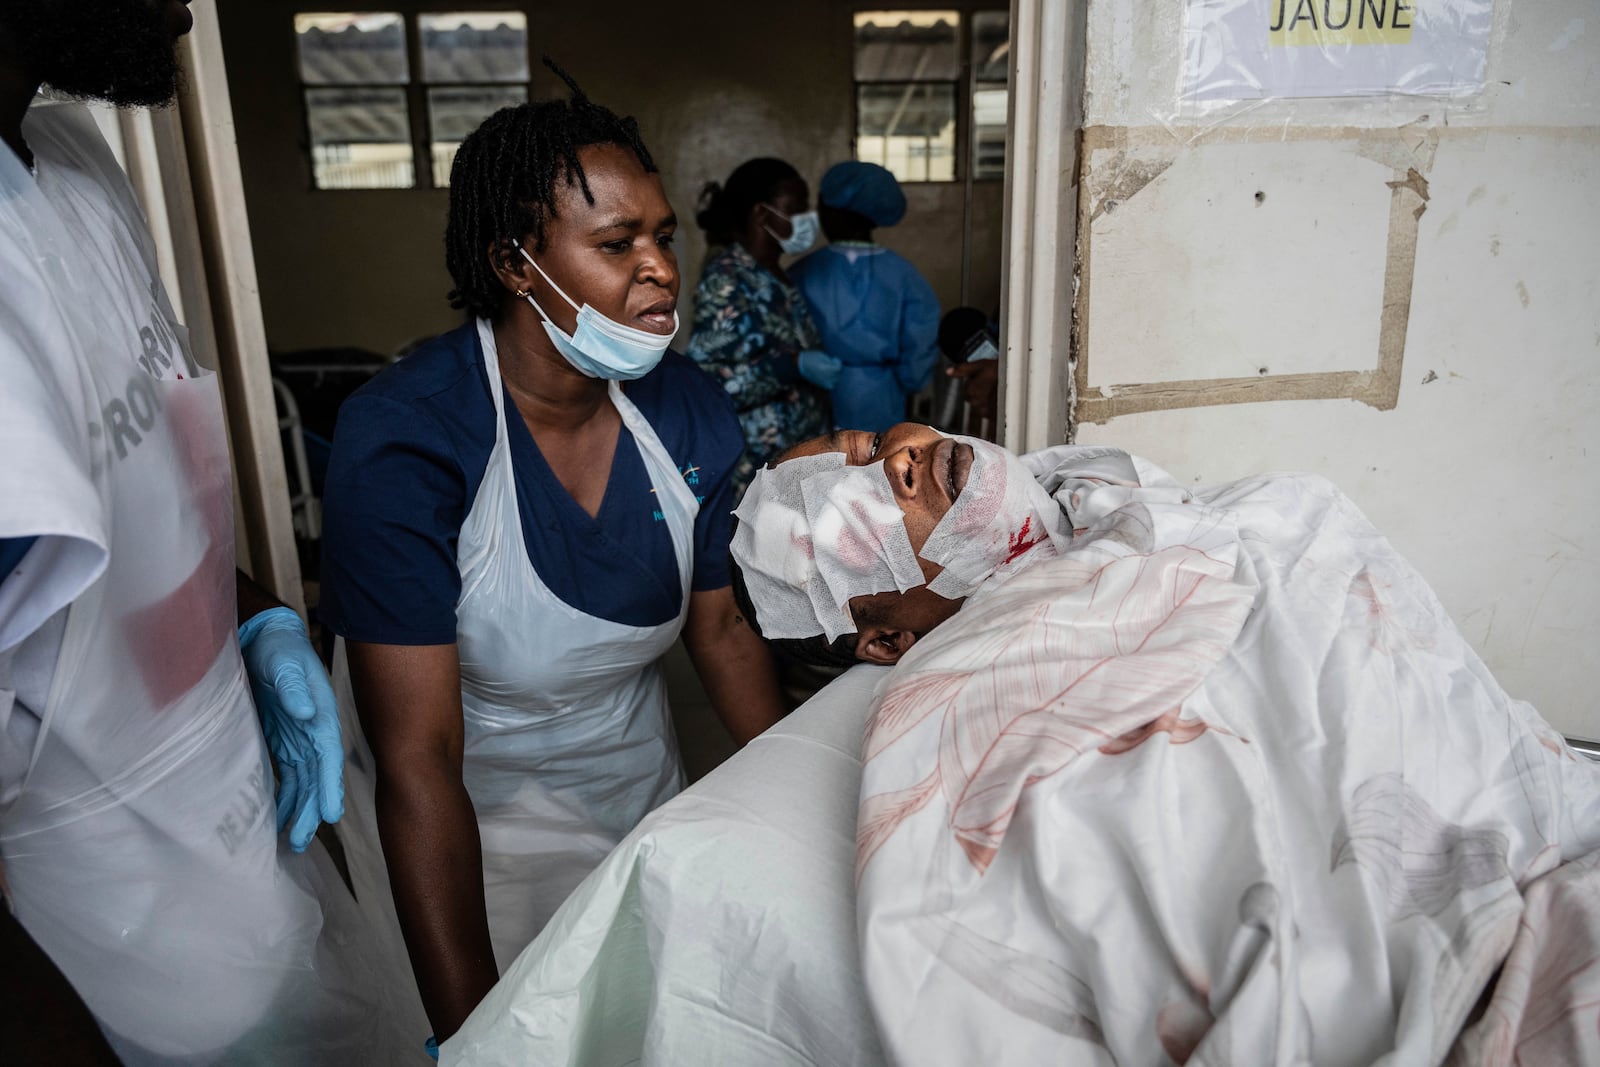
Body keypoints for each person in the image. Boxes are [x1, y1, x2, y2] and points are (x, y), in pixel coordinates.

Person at [318, 63, 787, 1050]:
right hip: (457, 824)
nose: (661, 267)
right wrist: (471, 1025)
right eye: (617, 243)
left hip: (629, 783)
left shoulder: (687, 409)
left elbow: (722, 626)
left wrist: (800, 805)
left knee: (634, 1015)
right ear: (514, 262)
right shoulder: (408, 436)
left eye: (664, 234)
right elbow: (417, 756)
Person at [0, 2, 374, 1063]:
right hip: (98, 955)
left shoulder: (69, 160)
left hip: (247, 857)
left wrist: (254, 619)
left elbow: (147, 481)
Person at [728, 424, 1176, 666]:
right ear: (888, 642)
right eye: (856, 516)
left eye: (873, 445)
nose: (899, 460)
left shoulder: (1099, 482)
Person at [686, 157, 837, 495]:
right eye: (795, 207)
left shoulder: (777, 275)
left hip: (795, 462)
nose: (805, 218)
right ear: (761, 214)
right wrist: (791, 366)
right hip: (754, 472)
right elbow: (709, 385)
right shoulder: (727, 279)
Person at [791, 161, 940, 434]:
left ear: (829, 210)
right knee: (878, 466)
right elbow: (919, 349)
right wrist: (911, 380)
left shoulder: (802, 272)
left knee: (819, 468)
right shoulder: (904, 274)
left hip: (816, 395)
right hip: (883, 397)